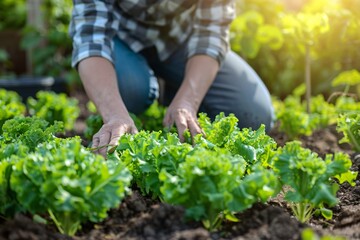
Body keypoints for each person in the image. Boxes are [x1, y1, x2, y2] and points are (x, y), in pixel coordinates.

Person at [69, 0, 274, 157]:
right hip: (120, 38)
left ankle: (175, 97)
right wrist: (114, 115)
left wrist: (188, 100)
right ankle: (139, 94)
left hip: (182, 39)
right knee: (130, 94)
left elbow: (211, 32)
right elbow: (91, 37)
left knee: (253, 114)